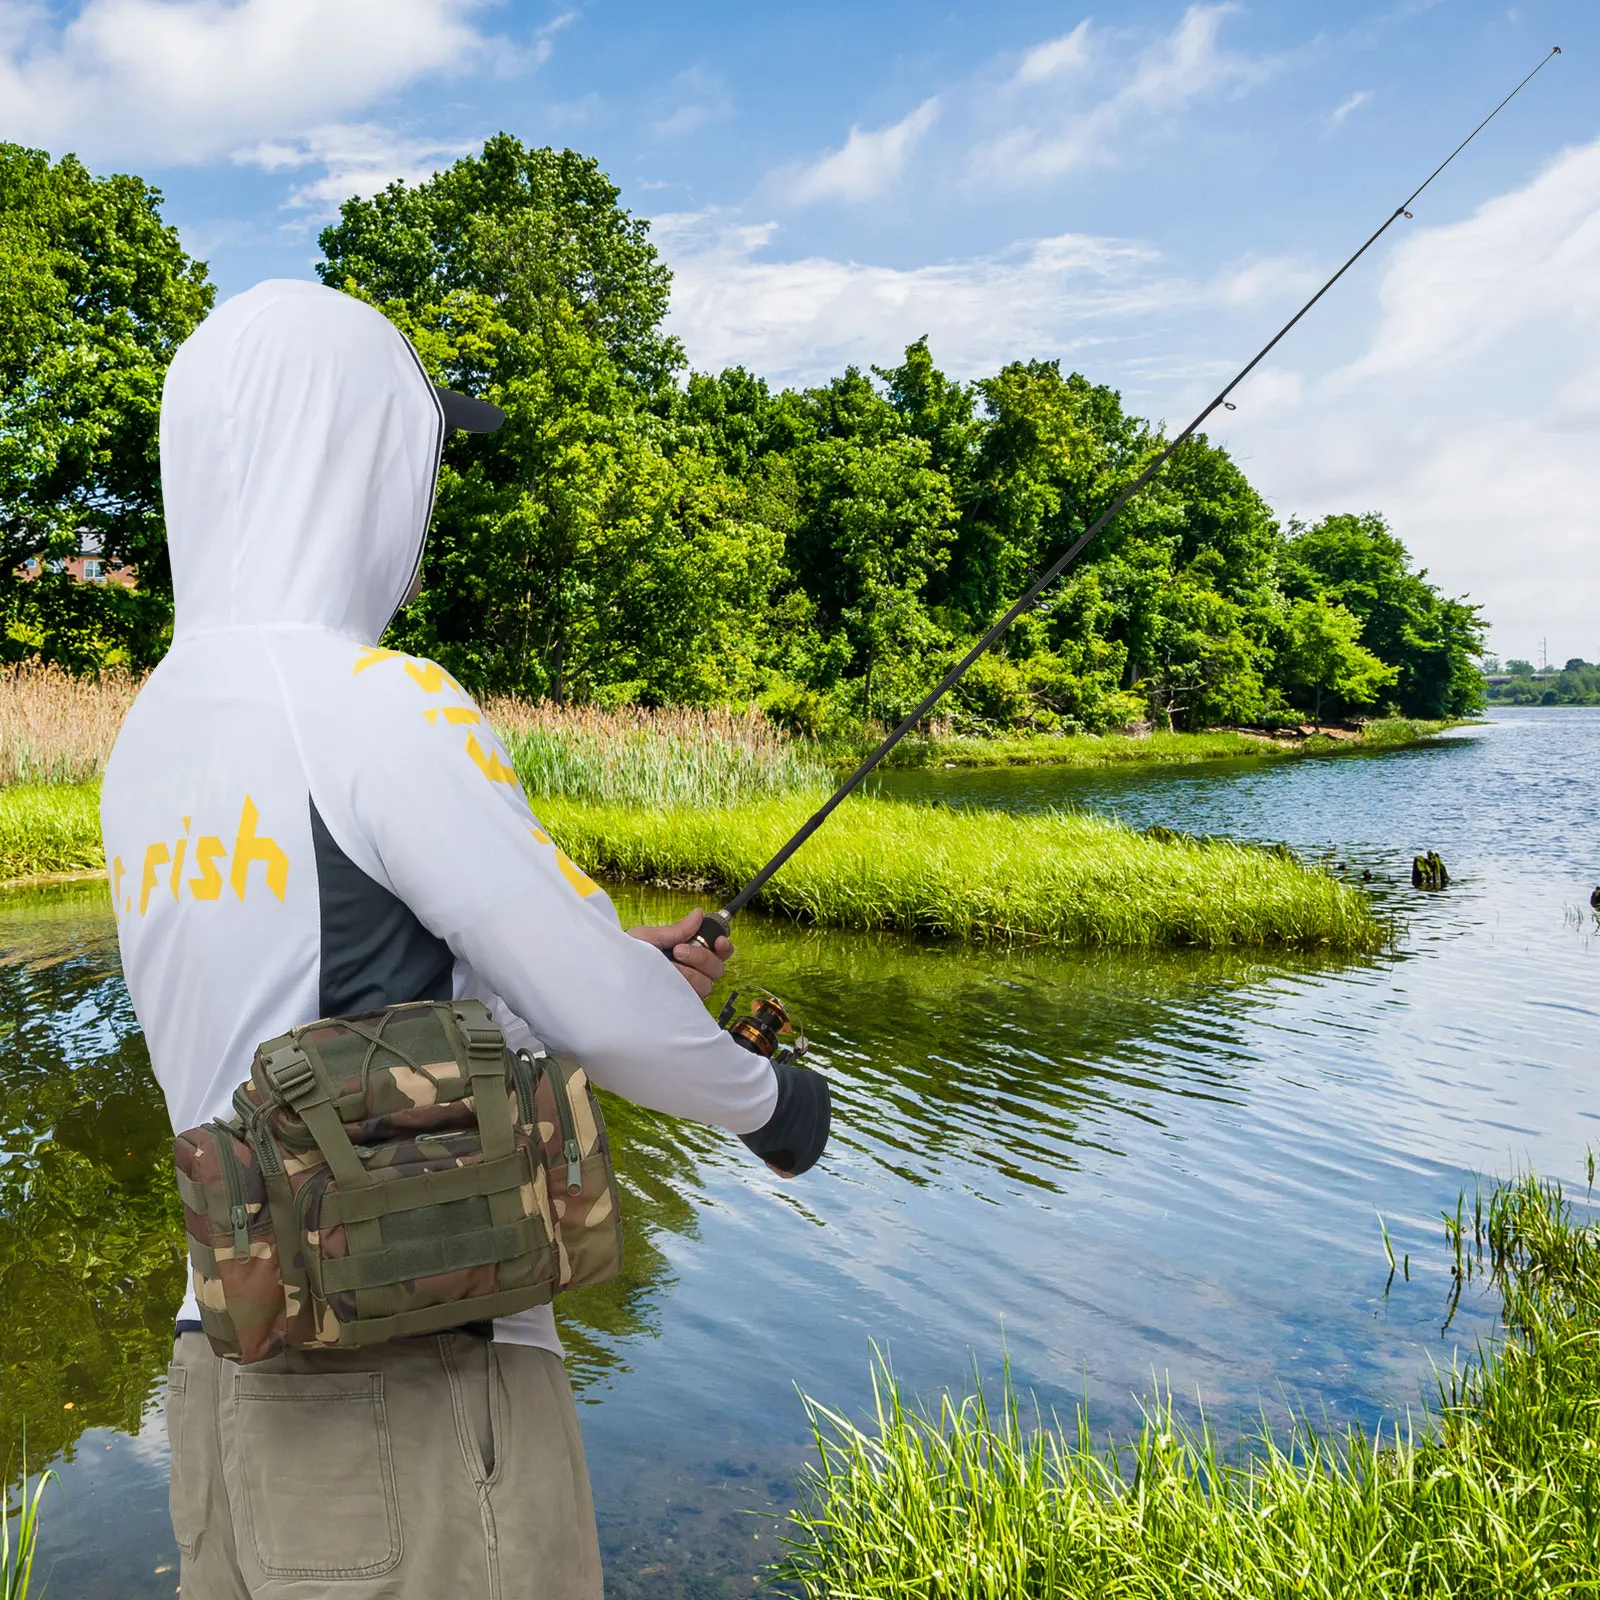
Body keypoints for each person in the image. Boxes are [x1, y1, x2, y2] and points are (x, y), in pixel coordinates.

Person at [100, 279, 829, 1599]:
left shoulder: (152, 732)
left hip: (224, 1369)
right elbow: (598, 1013)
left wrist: (606, 970)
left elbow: (315, 1008)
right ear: (359, 458)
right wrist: (768, 1103)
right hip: (408, 1393)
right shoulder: (374, 701)